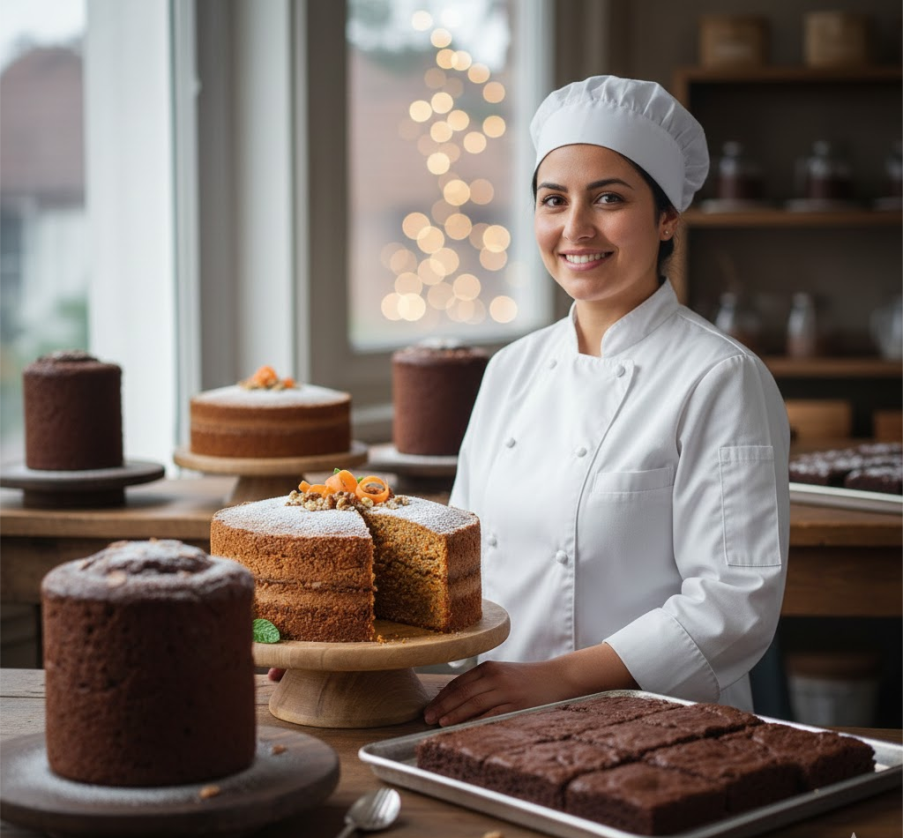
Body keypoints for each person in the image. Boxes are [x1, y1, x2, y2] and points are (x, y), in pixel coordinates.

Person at [423, 75, 790, 728]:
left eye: (608, 198)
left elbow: (734, 605)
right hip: (493, 719)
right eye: (553, 199)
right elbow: (460, 568)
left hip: (660, 729)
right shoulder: (510, 370)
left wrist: (556, 679)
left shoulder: (719, 376)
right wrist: (360, 653)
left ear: (666, 215)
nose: (574, 228)